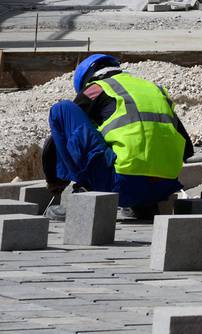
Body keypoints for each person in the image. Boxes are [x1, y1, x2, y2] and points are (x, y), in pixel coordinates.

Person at [42, 54, 189, 215]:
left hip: (120, 185)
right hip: (163, 189)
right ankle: (143, 205)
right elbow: (187, 149)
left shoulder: (96, 88)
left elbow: (65, 131)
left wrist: (54, 180)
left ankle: (80, 201)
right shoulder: (155, 90)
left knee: (62, 109)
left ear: (87, 79)